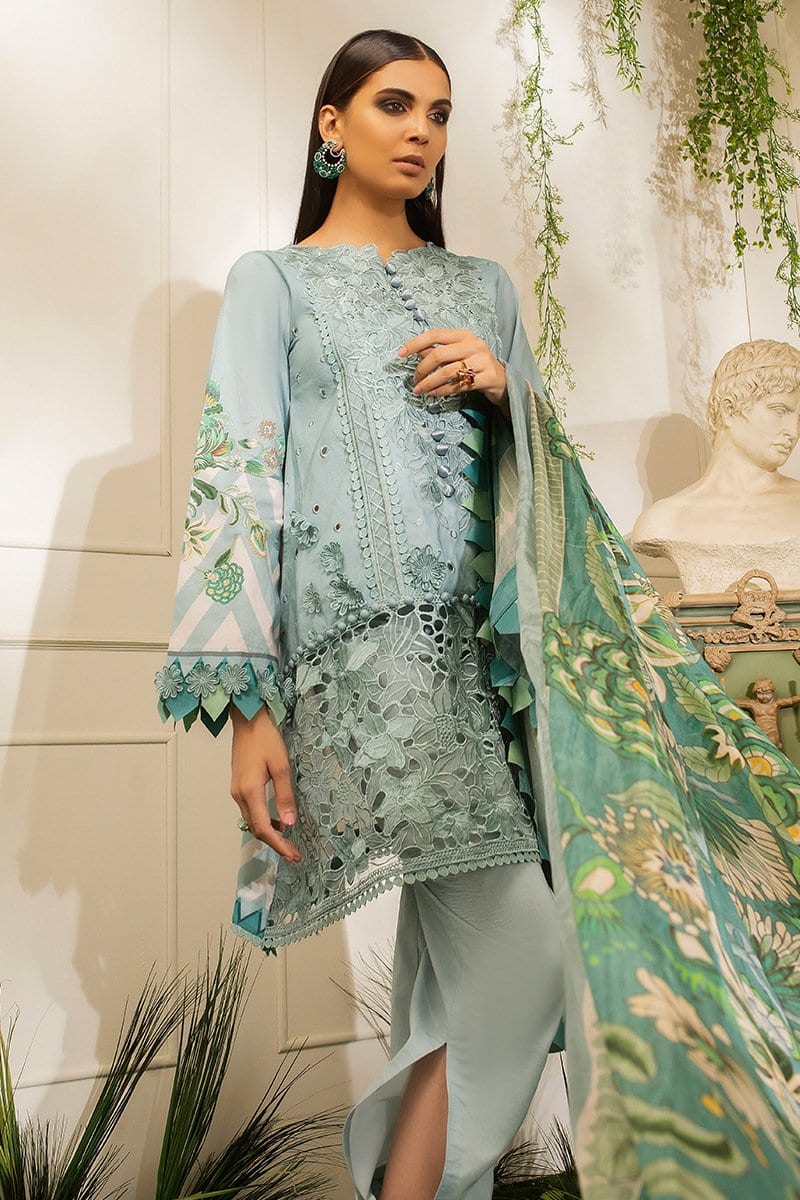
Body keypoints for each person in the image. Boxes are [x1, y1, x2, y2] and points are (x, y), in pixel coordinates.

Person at [157, 27, 800, 1200]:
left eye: (439, 113)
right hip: (363, 679)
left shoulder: (483, 291)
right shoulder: (272, 284)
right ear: (330, 124)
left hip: (500, 678)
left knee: (465, 979)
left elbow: (548, 498)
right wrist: (247, 710)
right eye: (393, 104)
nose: (420, 132)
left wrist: (507, 391)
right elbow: (237, 480)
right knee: (528, 954)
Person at [632, 339, 800, 593]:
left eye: (798, 418)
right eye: (779, 410)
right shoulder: (664, 520)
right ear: (729, 410)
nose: (793, 432)